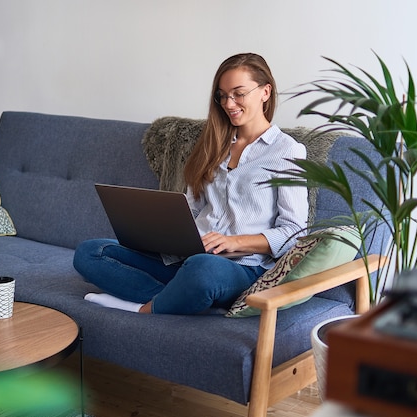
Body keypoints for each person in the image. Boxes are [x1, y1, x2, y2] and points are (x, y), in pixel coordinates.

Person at [73, 53, 308, 315]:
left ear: (265, 92)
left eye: (238, 93)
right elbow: (193, 209)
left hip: (241, 266)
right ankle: (179, 297)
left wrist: (235, 242)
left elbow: (295, 231)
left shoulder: (287, 151)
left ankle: (145, 308)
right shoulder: (213, 145)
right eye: (222, 95)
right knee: (91, 252)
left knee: (203, 271)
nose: (229, 103)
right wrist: (165, 233)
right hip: (187, 257)